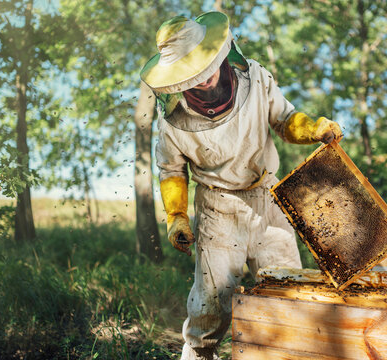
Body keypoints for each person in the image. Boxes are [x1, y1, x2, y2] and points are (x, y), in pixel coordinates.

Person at [140, 11, 342, 360]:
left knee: (288, 290)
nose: (200, 80)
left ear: (218, 55)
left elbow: (285, 119)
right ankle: (200, 354)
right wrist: (176, 215)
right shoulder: (173, 120)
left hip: (268, 199)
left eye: (202, 69)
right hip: (217, 208)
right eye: (190, 75)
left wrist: (312, 128)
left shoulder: (257, 78)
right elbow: (172, 170)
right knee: (210, 303)